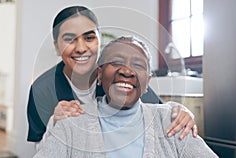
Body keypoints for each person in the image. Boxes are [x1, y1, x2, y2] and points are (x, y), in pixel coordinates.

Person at [27, 5, 197, 146]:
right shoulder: (42, 90)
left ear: (100, 41)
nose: (80, 48)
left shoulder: (116, 75)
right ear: (57, 47)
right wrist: (54, 125)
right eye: (69, 39)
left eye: (89, 38)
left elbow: (157, 111)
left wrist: (179, 110)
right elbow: (40, 150)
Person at [33, 36, 217, 158]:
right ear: (99, 74)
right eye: (116, 62)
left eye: (138, 65)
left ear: (147, 83)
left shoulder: (171, 121)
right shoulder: (72, 122)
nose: (127, 71)